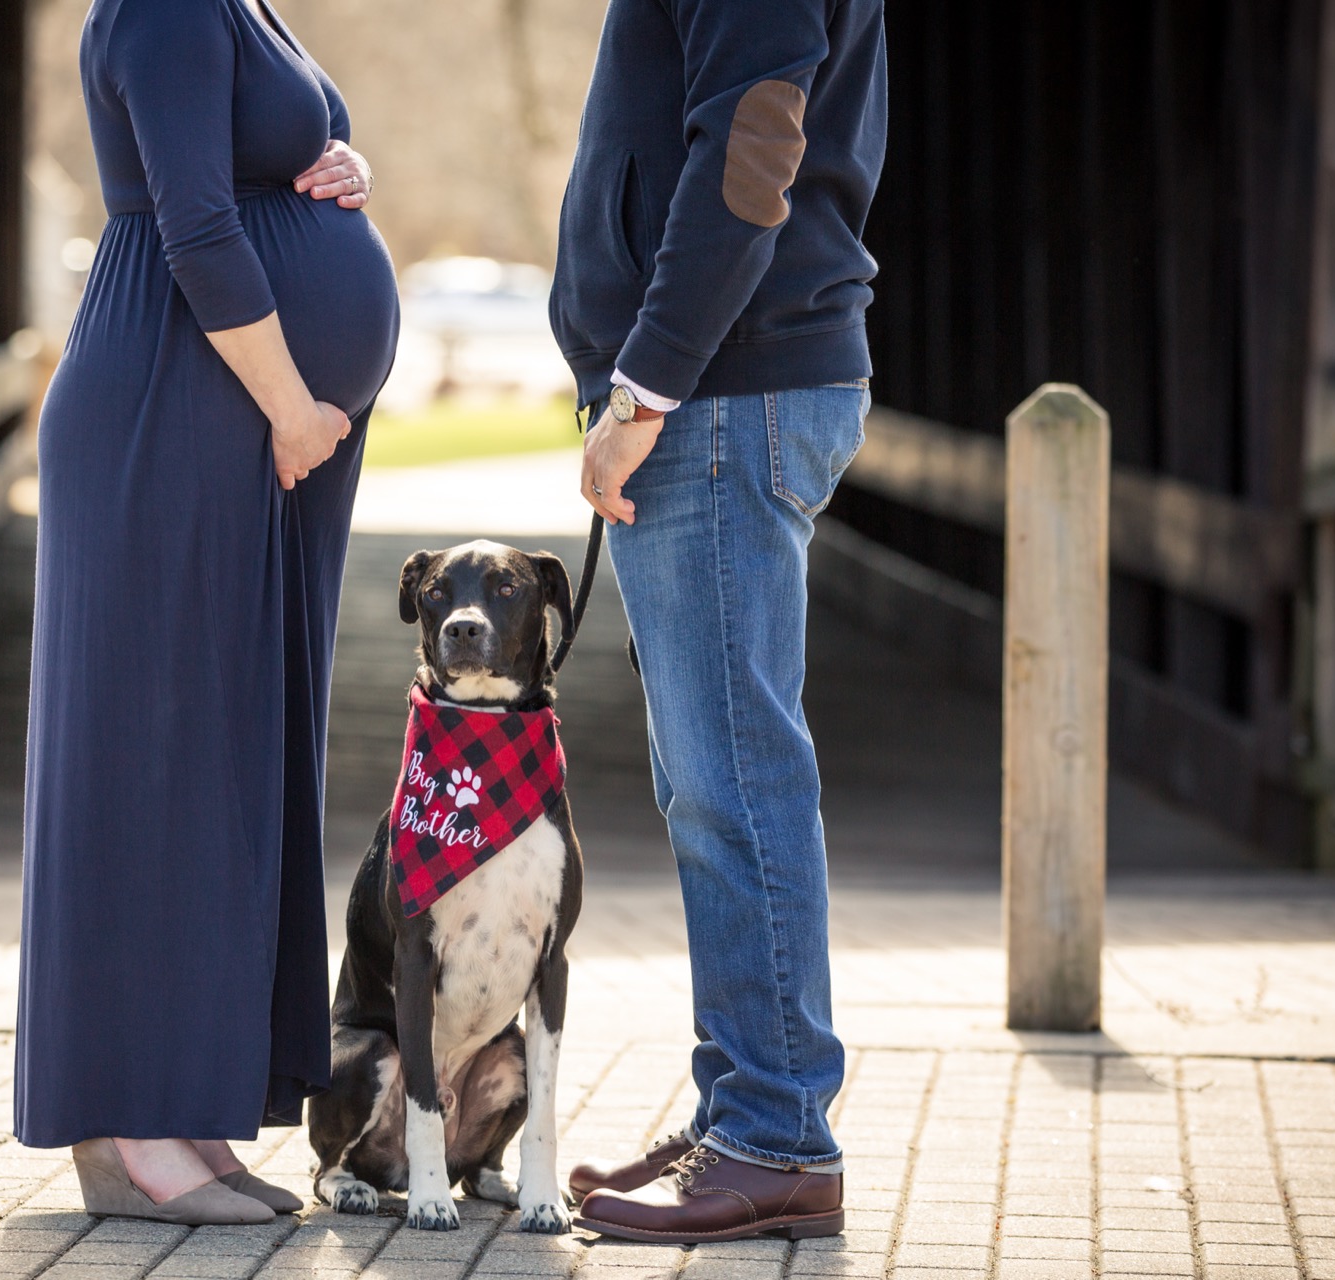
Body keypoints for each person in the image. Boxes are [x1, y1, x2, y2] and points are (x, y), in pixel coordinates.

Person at [13, 0, 398, 1225]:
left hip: (226, 408)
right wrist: (291, 401)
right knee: (159, 759)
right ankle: (133, 1125)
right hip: (176, 400)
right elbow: (192, 218)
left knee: (228, 756)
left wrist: (340, 168)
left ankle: (189, 1101)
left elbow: (250, 161)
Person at [548, 0, 887, 1244]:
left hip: (720, 387)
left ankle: (777, 1134)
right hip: (721, 379)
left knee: (733, 774)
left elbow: (754, 141)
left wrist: (647, 380)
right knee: (713, 775)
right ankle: (745, 1107)